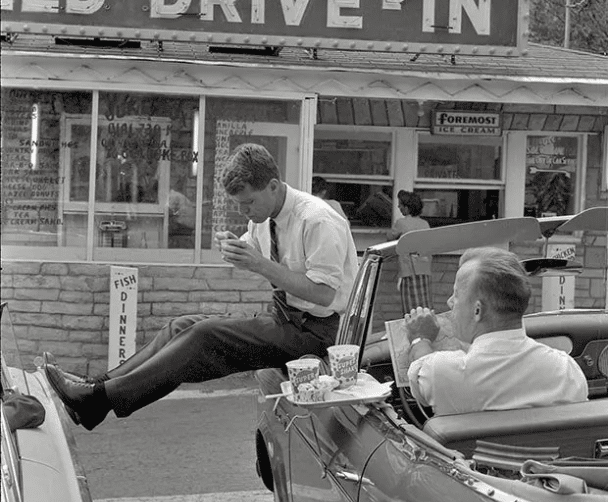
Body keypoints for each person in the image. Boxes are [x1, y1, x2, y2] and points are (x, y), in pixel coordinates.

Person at [44, 144, 359, 430]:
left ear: (273, 186)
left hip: (317, 334)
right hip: (284, 320)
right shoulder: (264, 215)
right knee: (181, 326)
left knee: (203, 336)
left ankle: (96, 400)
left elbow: (323, 293)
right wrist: (235, 248)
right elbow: (256, 249)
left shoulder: (317, 220)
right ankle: (96, 389)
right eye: (238, 205)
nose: (244, 212)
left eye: (248, 202)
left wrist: (259, 264)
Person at [405, 247, 588, 416]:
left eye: (456, 294)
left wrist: (419, 339)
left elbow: (420, 373)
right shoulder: (566, 370)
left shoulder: (443, 372)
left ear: (478, 310)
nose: (450, 302)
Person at [388, 191, 432, 313]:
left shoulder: (401, 223)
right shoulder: (425, 224)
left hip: (408, 269)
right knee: (424, 305)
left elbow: (390, 237)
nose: (398, 207)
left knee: (410, 307)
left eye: (400, 204)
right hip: (424, 268)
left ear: (407, 207)